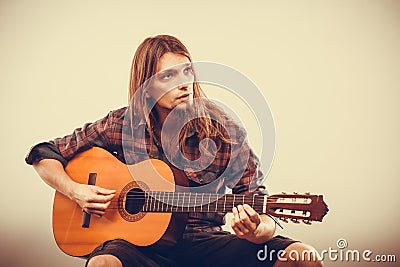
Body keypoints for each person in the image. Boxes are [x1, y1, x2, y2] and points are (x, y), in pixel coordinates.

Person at [25, 34, 322, 267]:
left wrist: (259, 230)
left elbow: (259, 201)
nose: (184, 84)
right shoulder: (122, 123)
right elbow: (43, 154)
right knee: (103, 263)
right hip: (136, 248)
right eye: (169, 76)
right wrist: (76, 191)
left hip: (205, 243)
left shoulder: (225, 130)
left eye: (187, 72)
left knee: (302, 257)